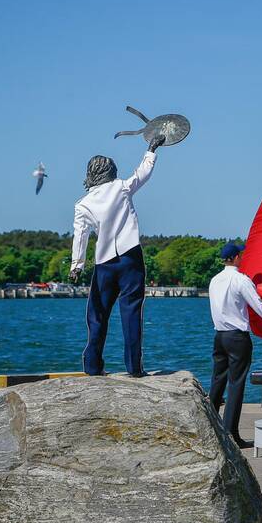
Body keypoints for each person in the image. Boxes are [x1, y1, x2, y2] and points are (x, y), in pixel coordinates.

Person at [70, 135, 166, 378]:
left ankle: (92, 366)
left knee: (97, 315)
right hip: (131, 258)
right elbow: (143, 173)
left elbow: (79, 236)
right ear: (110, 171)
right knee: (132, 313)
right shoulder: (121, 187)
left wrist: (76, 266)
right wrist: (151, 149)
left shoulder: (82, 205)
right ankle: (135, 368)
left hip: (104, 264)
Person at [207, 242, 262, 447]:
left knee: (217, 382)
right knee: (236, 384)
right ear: (237, 257)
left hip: (219, 335)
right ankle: (231, 433)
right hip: (237, 337)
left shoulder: (214, 280)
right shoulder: (240, 280)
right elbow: (261, 308)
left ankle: (209, 427)